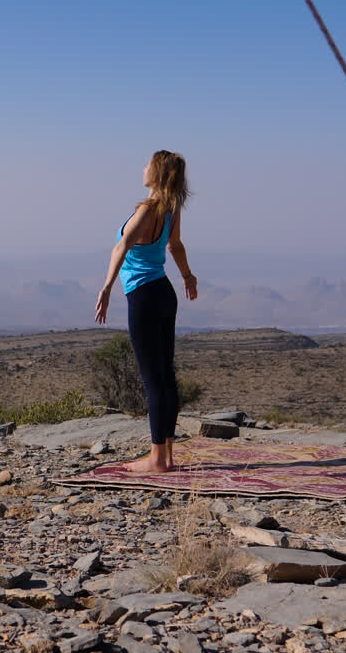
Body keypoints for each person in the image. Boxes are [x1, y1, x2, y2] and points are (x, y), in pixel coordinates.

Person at [95, 150, 197, 473]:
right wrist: (187, 275)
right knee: (166, 375)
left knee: (153, 379)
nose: (143, 168)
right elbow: (175, 245)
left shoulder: (146, 211)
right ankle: (167, 454)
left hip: (143, 297)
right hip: (165, 294)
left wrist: (107, 287)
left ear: (158, 172)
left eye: (148, 165)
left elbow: (121, 247)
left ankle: (156, 460)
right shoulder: (171, 209)